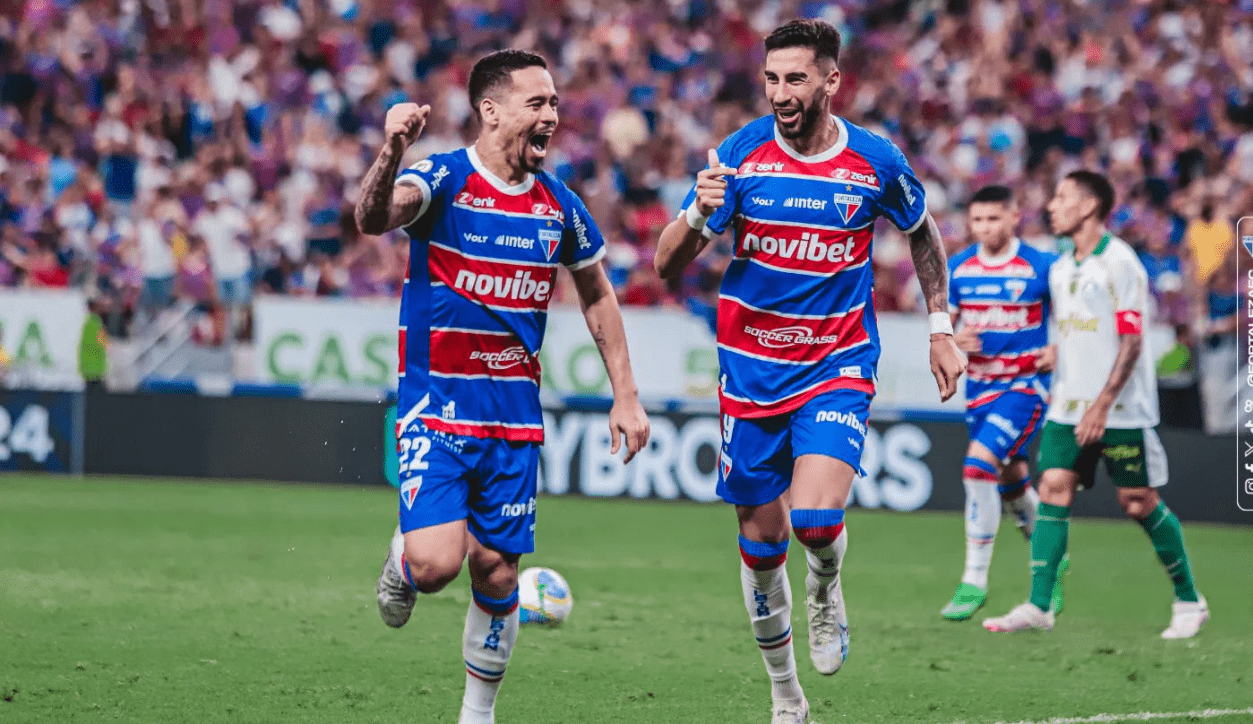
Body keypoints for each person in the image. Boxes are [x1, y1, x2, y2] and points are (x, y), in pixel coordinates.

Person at [654, 19, 965, 724]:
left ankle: (826, 589)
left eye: (794, 78)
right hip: (750, 373)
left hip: (836, 362)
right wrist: (700, 216)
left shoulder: (876, 160)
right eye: (770, 78)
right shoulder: (739, 157)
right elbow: (666, 264)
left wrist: (940, 326)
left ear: (831, 79)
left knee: (817, 522)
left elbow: (922, 231)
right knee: (762, 548)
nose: (779, 92)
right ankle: (786, 693)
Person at [355, 50, 651, 724]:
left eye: (554, 103)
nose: (552, 115)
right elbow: (373, 218)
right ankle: (403, 556)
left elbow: (598, 292)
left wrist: (625, 395)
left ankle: (477, 715)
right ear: (491, 111)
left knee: (497, 573)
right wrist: (391, 152)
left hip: (514, 421)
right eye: (537, 103)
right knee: (436, 567)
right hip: (438, 409)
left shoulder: (559, 205)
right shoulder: (442, 178)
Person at [983, 171, 1207, 638]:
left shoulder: (1120, 263)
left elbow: (1131, 342)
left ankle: (1189, 600)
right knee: (1053, 487)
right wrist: (1056, 354)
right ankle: (1040, 605)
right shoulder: (1063, 267)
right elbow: (1085, 330)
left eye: (1062, 197)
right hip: (1069, 405)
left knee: (1138, 501)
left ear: (1088, 207)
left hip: (1121, 408)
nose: (1051, 206)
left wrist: (1103, 406)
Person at [940, 185, 1063, 621]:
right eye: (978, 220)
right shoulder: (957, 268)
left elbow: (1072, 317)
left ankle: (974, 580)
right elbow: (943, 330)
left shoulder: (1042, 266)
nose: (986, 227)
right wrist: (955, 340)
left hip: (1025, 387)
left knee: (977, 467)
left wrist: (1060, 347)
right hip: (979, 389)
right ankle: (1050, 562)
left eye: (994, 218)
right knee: (1011, 481)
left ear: (1014, 216)